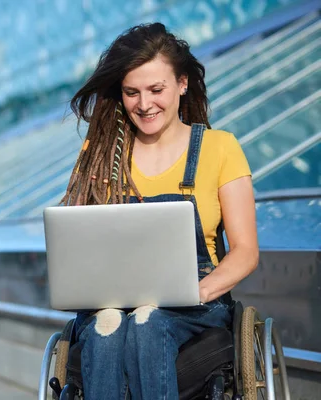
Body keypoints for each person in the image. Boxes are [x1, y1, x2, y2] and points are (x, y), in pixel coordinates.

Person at [59, 23, 259, 399]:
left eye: (156, 89)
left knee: (148, 322)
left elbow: (246, 252)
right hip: (114, 304)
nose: (144, 104)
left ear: (182, 84)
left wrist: (193, 291)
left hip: (197, 302)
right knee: (108, 324)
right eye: (131, 92)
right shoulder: (106, 161)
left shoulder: (221, 149)